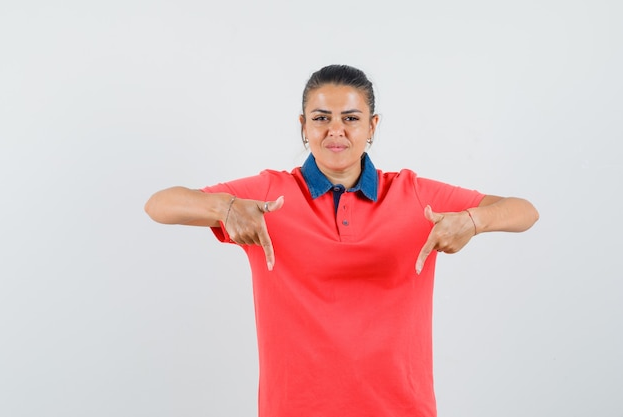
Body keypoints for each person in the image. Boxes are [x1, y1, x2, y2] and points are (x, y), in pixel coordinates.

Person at [144, 64, 539, 417]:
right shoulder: (269, 195)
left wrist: (474, 220)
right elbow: (159, 205)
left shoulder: (412, 194)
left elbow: (523, 211)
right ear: (303, 126)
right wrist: (225, 207)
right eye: (321, 118)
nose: (336, 130)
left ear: (372, 127)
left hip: (402, 408)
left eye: (351, 117)